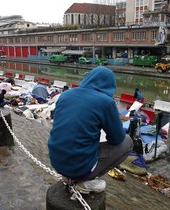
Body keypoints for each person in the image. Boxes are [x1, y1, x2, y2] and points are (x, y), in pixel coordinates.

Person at [47, 66, 133, 194]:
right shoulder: (106, 102)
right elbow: (117, 139)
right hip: (79, 167)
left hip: (56, 162)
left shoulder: (65, 95)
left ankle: (71, 176)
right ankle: (87, 181)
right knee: (128, 142)